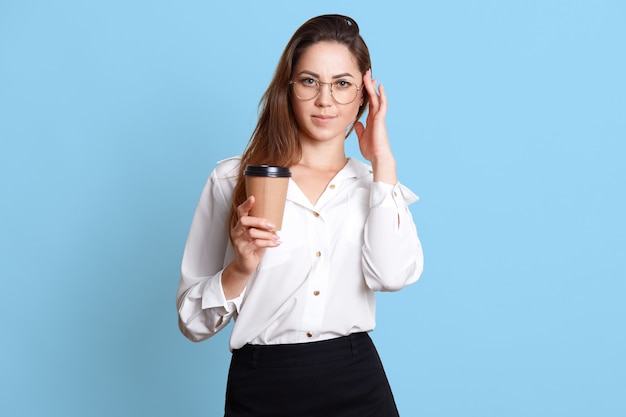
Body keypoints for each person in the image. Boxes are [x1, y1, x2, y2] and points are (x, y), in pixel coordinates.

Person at [176, 14, 424, 417]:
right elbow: (192, 322)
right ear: (288, 89)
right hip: (263, 387)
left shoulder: (375, 186)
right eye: (309, 81)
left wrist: (383, 162)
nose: (325, 100)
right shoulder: (232, 179)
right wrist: (240, 268)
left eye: (342, 84)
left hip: (357, 382)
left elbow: (392, 276)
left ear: (364, 95)